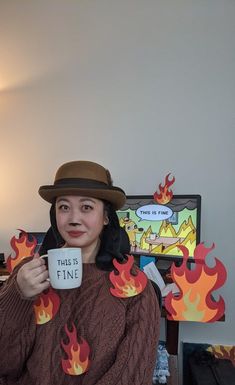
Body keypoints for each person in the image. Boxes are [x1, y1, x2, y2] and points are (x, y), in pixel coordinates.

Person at [0, 160, 160, 385]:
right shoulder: (28, 274)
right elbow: (5, 365)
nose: (74, 219)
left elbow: (132, 376)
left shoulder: (134, 286)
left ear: (105, 217)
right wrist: (18, 296)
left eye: (86, 207)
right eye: (64, 207)